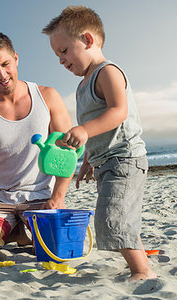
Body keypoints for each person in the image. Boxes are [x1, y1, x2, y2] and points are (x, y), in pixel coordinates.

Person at [42, 6, 156, 281]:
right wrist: (87, 161)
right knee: (120, 211)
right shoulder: (83, 86)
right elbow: (96, 133)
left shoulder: (108, 72)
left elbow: (118, 111)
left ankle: (142, 271)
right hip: (106, 161)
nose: (61, 60)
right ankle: (140, 258)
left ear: (88, 40)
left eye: (64, 51)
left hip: (125, 158)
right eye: (57, 54)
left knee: (111, 216)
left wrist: (83, 130)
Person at [0, 30, 73, 255]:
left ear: (16, 58)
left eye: (5, 64)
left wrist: (58, 197)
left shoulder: (47, 97)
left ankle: (17, 229)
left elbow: (67, 154)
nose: (1, 74)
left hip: (41, 196)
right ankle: (13, 229)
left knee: (58, 248)